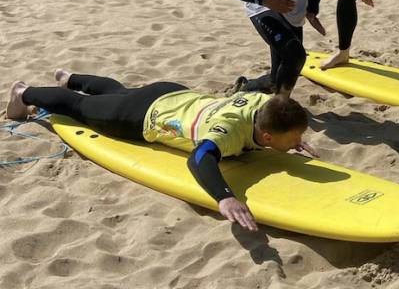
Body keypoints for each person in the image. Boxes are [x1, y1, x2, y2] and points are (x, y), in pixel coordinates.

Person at [6, 71, 314, 231]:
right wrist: (225, 197)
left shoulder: (267, 105)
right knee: (81, 106)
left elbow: (270, 106)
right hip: (144, 116)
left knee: (120, 92)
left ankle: (70, 78)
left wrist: (291, 138)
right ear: (267, 136)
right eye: (294, 137)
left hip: (173, 92)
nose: (299, 140)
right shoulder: (228, 132)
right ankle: (24, 92)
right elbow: (199, 159)